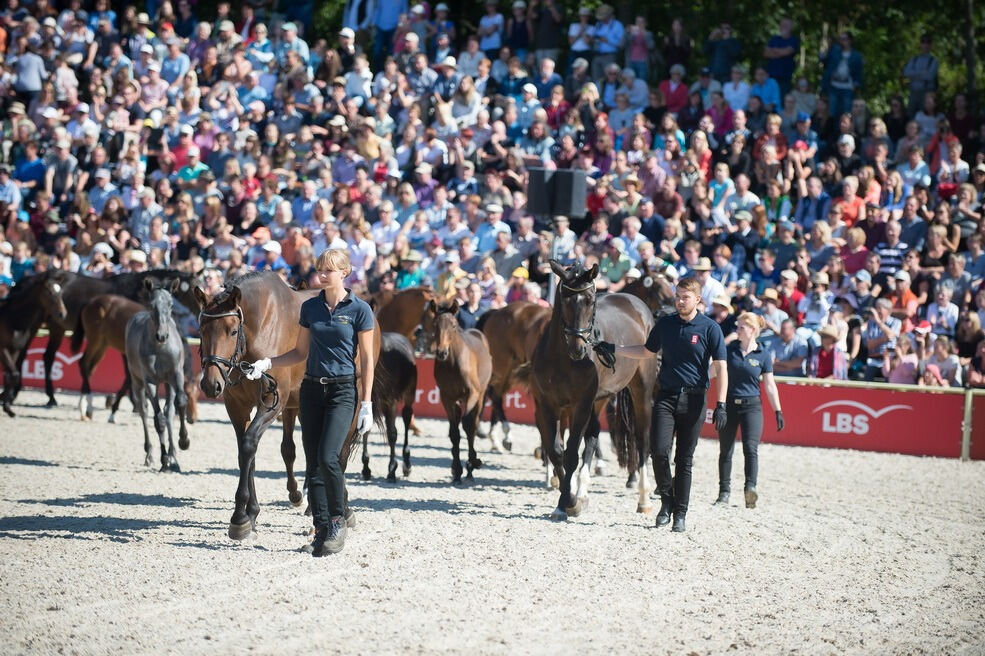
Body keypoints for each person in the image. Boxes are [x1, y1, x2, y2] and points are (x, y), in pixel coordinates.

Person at [244, 249, 376, 557]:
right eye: (320, 268)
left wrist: (367, 402)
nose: (322, 273)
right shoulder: (312, 309)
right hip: (312, 391)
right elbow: (299, 353)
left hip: (343, 391)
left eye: (329, 269)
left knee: (329, 457)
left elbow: (367, 361)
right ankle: (319, 529)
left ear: (345, 273)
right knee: (313, 463)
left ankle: (337, 521)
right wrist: (267, 362)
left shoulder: (360, 310)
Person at [595, 277, 728, 533]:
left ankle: (680, 513)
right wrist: (616, 348)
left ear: (698, 300)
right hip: (666, 397)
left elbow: (721, 367)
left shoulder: (711, 328)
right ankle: (666, 503)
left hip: (695, 399)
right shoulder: (665, 324)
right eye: (678, 296)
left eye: (685, 297)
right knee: (658, 451)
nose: (679, 301)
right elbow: (646, 351)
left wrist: (721, 404)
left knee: (684, 459)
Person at [714, 312, 783, 509]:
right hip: (728, 405)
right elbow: (714, 370)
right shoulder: (729, 351)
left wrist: (778, 410)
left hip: (752, 406)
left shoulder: (763, 355)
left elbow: (769, 385)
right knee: (725, 450)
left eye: (741, 327)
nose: (737, 330)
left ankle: (750, 489)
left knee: (750, 449)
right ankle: (724, 492)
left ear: (753, 330)